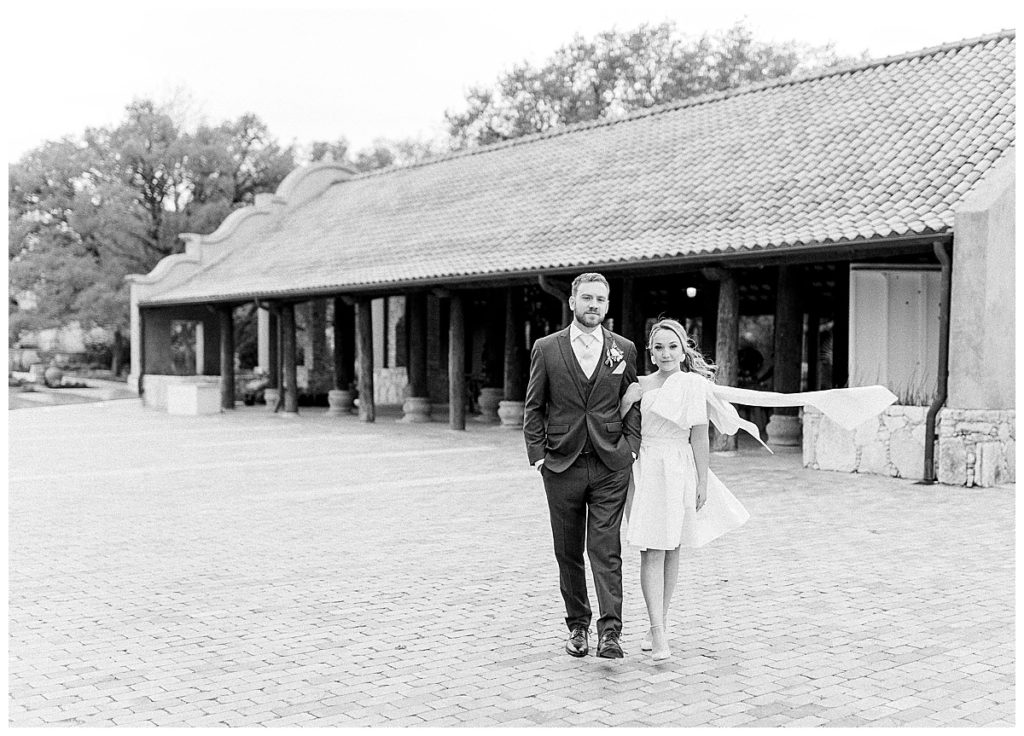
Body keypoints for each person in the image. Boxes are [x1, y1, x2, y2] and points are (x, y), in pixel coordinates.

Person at [620, 317, 898, 661]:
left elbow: (698, 436)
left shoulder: (693, 385)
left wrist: (702, 481)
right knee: (652, 549)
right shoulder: (639, 385)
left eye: (672, 346)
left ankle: (659, 623)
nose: (666, 353)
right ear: (650, 352)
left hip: (678, 468)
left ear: (683, 350)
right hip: (648, 467)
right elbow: (618, 423)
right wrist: (627, 401)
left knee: (673, 547)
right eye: (659, 347)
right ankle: (658, 630)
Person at [524, 272, 641, 658]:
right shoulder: (546, 348)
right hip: (561, 464)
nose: (594, 305)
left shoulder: (624, 348)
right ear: (573, 302)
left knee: (606, 549)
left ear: (607, 305)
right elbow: (534, 406)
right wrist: (539, 456)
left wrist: (631, 449)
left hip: (610, 463)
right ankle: (577, 625)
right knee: (568, 550)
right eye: (587, 298)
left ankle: (611, 632)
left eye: (600, 299)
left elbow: (633, 400)